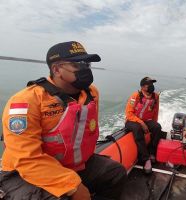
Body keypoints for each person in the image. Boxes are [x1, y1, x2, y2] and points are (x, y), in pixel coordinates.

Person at [0, 41, 127, 200]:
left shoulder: (91, 93)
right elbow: (26, 159)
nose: (85, 69)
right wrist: (72, 186)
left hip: (72, 164)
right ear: (57, 69)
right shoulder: (26, 101)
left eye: (87, 64)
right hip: (24, 172)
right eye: (78, 64)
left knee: (116, 174)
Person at [125, 77, 163, 174]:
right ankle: (146, 159)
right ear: (142, 87)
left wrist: (153, 124)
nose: (151, 86)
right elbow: (129, 114)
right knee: (137, 129)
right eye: (149, 84)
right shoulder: (135, 96)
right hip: (132, 120)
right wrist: (141, 123)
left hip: (146, 121)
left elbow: (155, 112)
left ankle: (151, 153)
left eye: (152, 84)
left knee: (157, 127)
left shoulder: (155, 97)